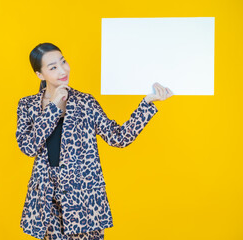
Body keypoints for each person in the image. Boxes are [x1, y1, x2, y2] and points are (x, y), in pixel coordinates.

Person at [16, 42, 173, 240]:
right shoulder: (27, 105)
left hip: (84, 199)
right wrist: (54, 106)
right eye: (53, 67)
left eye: (63, 62)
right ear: (40, 75)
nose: (63, 70)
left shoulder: (85, 102)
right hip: (46, 200)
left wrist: (147, 104)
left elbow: (118, 138)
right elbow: (28, 147)